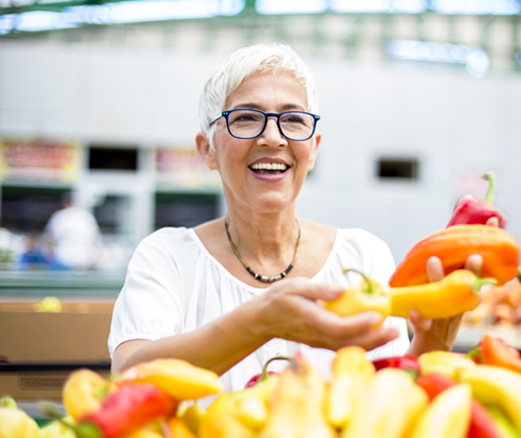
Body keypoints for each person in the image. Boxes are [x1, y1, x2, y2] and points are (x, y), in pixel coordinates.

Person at [108, 42, 489, 392]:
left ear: (314, 148)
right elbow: (129, 379)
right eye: (245, 118)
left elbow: (386, 405)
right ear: (207, 150)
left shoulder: (362, 256)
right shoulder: (168, 257)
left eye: (293, 119)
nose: (273, 137)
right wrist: (261, 322)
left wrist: (431, 343)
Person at [43, 192, 102, 269]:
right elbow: (95, 239)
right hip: (83, 259)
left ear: (64, 203)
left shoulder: (58, 216)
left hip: (63, 258)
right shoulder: (87, 216)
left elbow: (50, 239)